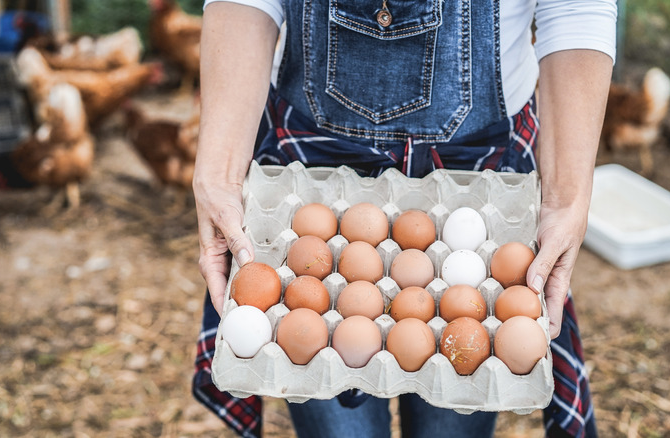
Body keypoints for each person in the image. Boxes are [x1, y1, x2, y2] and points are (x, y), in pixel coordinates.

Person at [192, 0, 615, 437]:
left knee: (456, 396)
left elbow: (576, 8)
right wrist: (220, 172)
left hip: (477, 173)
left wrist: (566, 196)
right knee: (332, 406)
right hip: (314, 169)